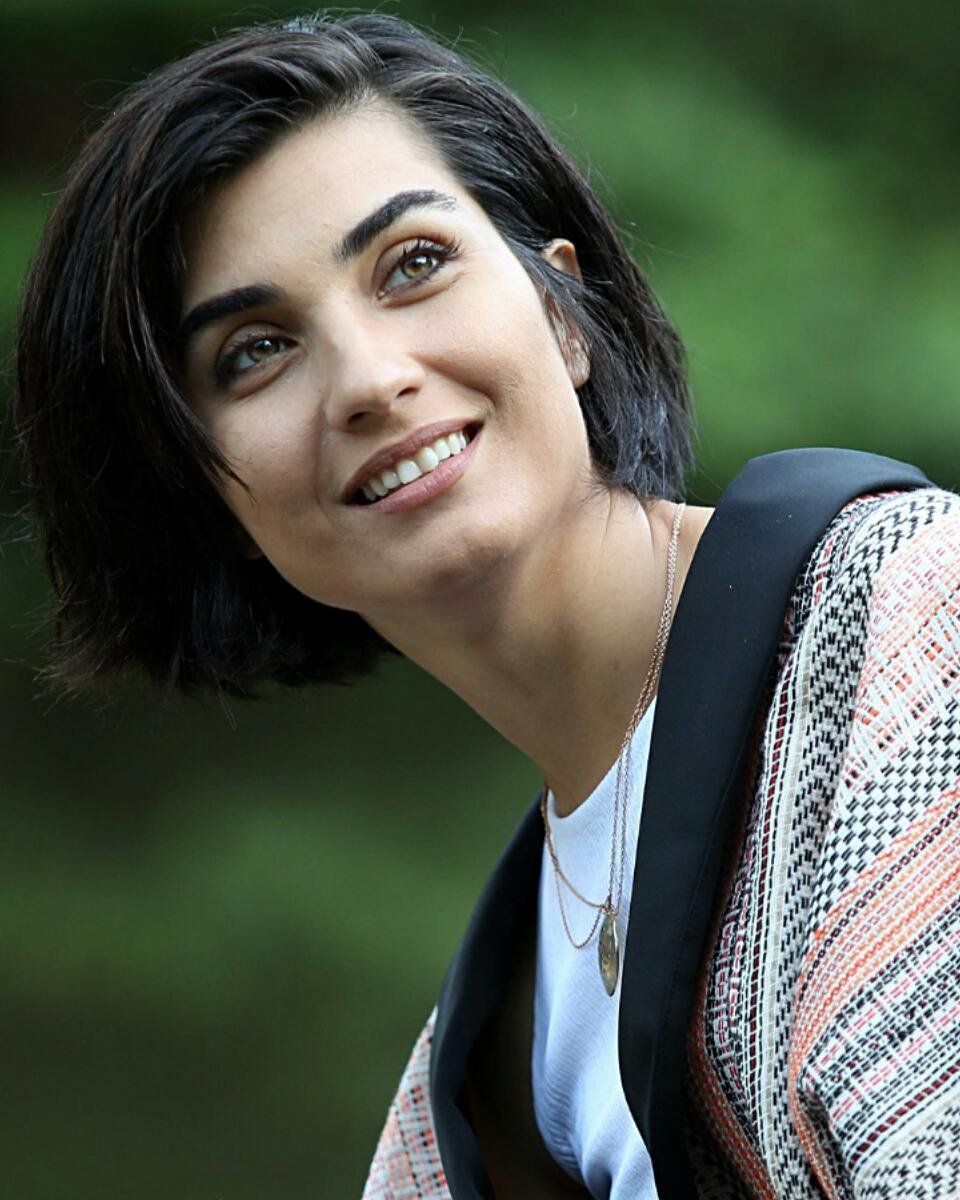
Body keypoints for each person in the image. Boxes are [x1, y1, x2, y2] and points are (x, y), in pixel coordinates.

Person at [12, 12, 960, 1200]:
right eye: (255, 351)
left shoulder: (920, 629)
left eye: (412, 264)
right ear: (214, 505)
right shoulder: (469, 1079)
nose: (369, 380)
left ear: (566, 311)